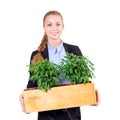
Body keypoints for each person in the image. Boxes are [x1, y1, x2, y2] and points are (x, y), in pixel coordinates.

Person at [19, 10, 99, 120]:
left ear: (63, 26)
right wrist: (26, 100)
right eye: (49, 24)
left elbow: (83, 81)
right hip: (47, 114)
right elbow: (33, 83)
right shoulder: (37, 54)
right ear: (44, 27)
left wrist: (91, 97)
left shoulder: (74, 50)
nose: (54, 28)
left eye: (57, 24)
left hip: (72, 113)